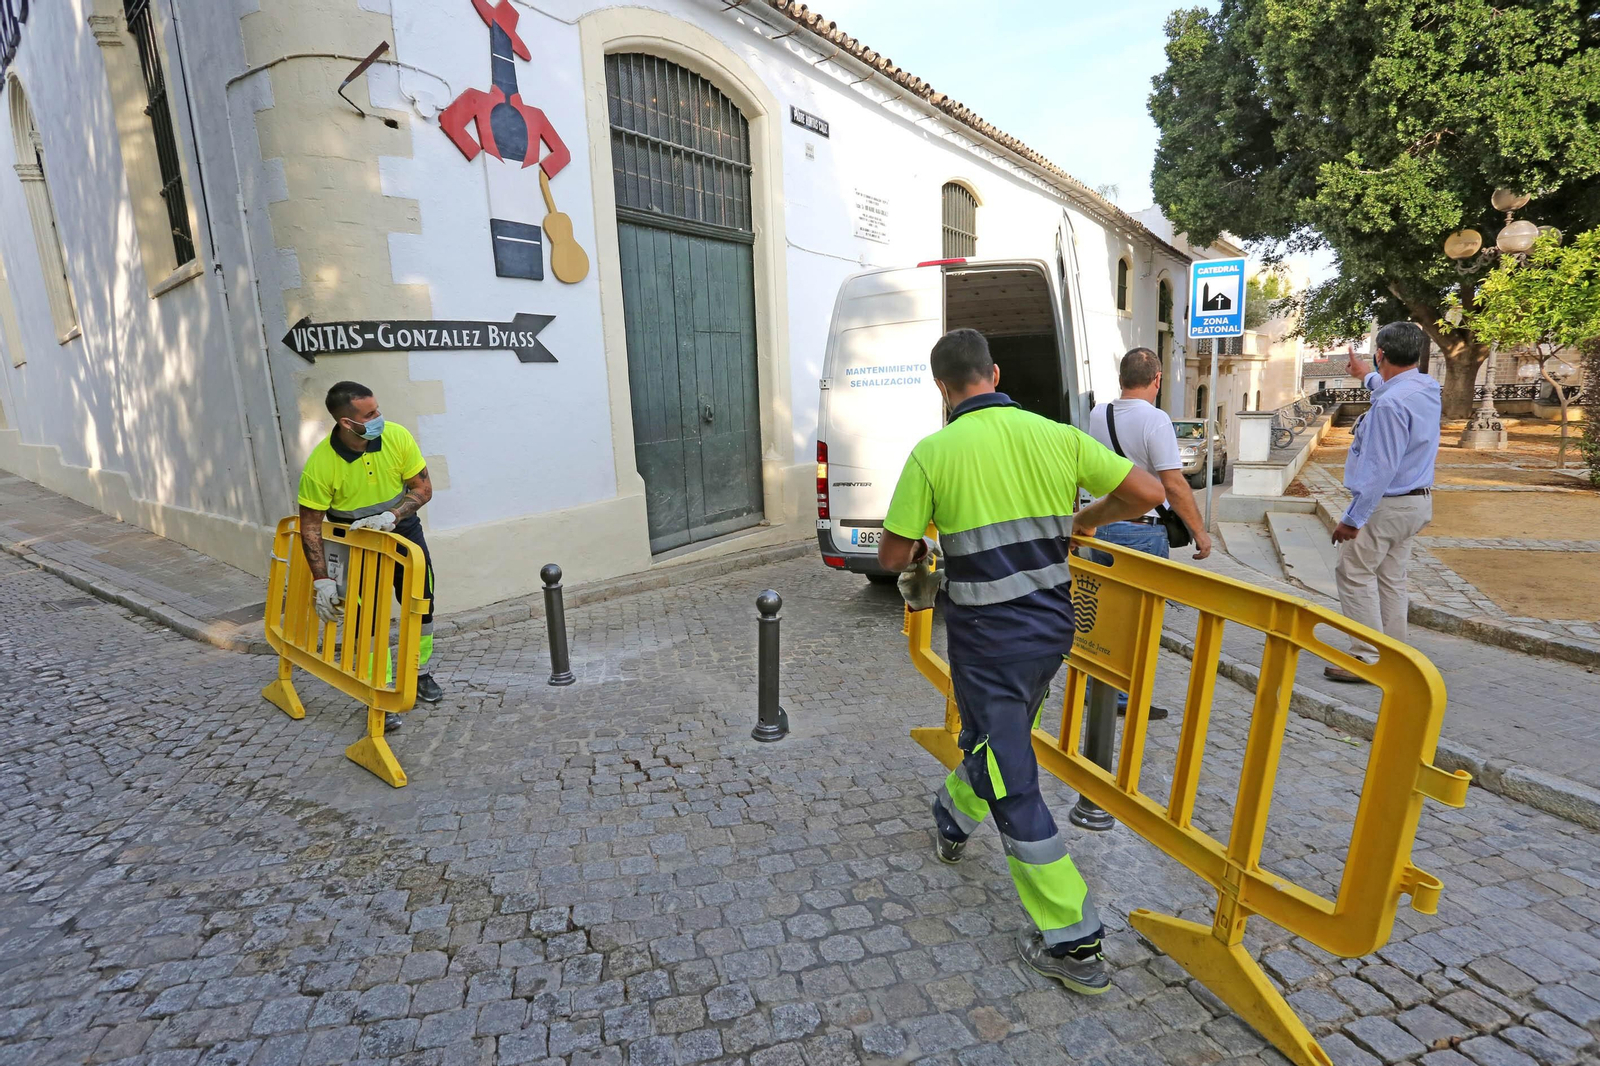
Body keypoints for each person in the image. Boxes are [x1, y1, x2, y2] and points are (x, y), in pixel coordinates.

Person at [876, 329, 1165, 995]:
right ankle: (950, 817)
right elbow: (1147, 492)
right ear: (996, 373)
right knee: (995, 742)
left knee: (1013, 778)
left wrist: (922, 552)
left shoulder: (934, 452)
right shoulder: (1056, 436)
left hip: (987, 645)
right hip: (1051, 634)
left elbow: (892, 556)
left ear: (943, 388)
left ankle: (1073, 940)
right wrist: (1083, 519)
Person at [298, 381, 444, 730]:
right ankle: (378, 689)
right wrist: (322, 581)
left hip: (401, 532)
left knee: (421, 600)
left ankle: (418, 673)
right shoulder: (321, 465)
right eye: (370, 414)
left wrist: (393, 515)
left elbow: (422, 488)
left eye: (377, 409)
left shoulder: (396, 437)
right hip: (353, 543)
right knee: (367, 619)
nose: (379, 417)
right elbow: (310, 527)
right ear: (347, 423)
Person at [1084, 347, 1212, 720]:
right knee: (1142, 621)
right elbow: (1173, 484)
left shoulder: (1097, 414)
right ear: (1156, 380)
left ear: (1121, 380)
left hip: (1101, 526)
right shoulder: (1156, 420)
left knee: (1102, 616)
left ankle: (1098, 690)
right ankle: (1126, 699)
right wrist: (1200, 533)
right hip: (1142, 532)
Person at [1324, 323, 1440, 683]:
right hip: (1416, 503)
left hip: (1386, 506)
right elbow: (1390, 385)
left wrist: (1352, 519)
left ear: (1382, 354)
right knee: (1392, 578)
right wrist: (1365, 376)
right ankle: (1395, 654)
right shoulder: (1426, 387)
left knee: (1354, 573)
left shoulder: (1390, 404)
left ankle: (1367, 657)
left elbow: (1380, 469)